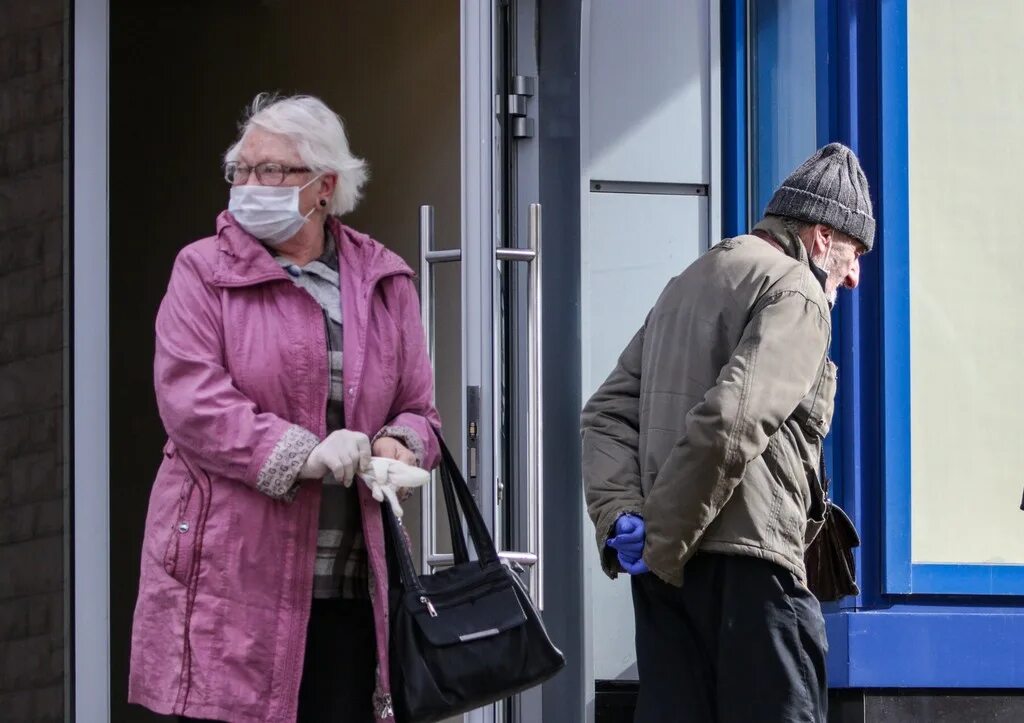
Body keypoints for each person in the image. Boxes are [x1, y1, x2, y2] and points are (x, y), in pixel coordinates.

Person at [128, 93, 441, 723]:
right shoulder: (202, 270)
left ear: (324, 186)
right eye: (240, 170)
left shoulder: (385, 280)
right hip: (230, 581)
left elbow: (418, 408)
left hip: (349, 581)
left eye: (269, 170)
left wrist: (399, 443)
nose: (248, 185)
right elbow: (192, 402)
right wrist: (304, 454)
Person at [582, 143, 874, 722]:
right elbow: (730, 424)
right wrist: (663, 535)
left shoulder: (689, 281)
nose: (856, 275)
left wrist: (623, 518)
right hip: (751, 574)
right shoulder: (798, 291)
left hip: (666, 582)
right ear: (820, 237)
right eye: (854, 252)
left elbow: (606, 413)